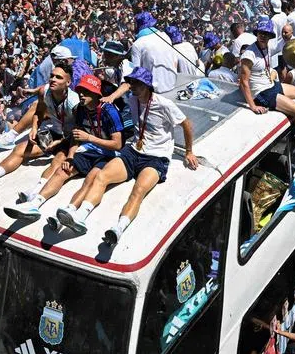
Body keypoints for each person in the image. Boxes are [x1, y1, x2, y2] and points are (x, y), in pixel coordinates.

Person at [55, 67, 197, 245]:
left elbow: (186, 124)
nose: (133, 86)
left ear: (147, 85)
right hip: (133, 151)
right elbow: (122, 88)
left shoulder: (164, 104)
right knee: (102, 176)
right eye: (132, 82)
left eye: (137, 83)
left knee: (138, 190)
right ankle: (81, 216)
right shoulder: (132, 100)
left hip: (156, 157)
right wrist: (112, 96)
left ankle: (119, 228)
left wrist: (189, 151)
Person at [3, 73, 124, 221]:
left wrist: (89, 138)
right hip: (89, 149)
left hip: (108, 155)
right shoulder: (81, 109)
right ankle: (34, 205)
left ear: (95, 94)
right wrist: (71, 157)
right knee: (62, 170)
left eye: (85, 92)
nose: (81, 95)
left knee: (91, 180)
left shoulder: (109, 111)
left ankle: (73, 213)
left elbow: (117, 145)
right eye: (80, 91)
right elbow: (76, 136)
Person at [0, 64, 78, 193]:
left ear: (68, 82)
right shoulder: (45, 91)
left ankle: (35, 193)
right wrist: (34, 128)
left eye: (58, 77)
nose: (53, 79)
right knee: (19, 149)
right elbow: (39, 112)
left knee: (59, 160)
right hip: (55, 132)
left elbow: (81, 131)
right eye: (52, 76)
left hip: (71, 139)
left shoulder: (74, 102)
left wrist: (59, 143)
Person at [237, 19, 295, 171]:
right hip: (262, 93)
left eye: (266, 34)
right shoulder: (249, 54)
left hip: (271, 85)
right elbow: (243, 82)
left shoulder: (266, 47)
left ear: (269, 36)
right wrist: (253, 105)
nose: (263, 36)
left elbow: (284, 47)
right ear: (257, 34)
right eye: (261, 33)